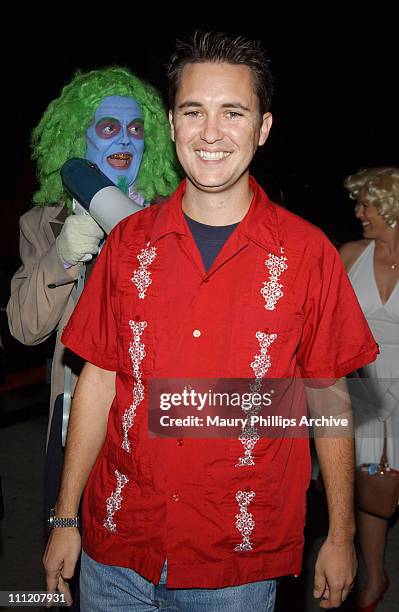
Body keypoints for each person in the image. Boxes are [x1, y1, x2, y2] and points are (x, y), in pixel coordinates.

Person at [43, 32, 378, 611]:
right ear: (172, 125)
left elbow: (330, 400)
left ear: (263, 128)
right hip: (116, 547)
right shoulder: (126, 244)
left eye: (233, 112)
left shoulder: (308, 254)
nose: (211, 132)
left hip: (236, 566)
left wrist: (343, 535)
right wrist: (66, 516)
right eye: (193, 111)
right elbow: (98, 381)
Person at [7, 67, 179, 610]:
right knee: (74, 569)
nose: (124, 139)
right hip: (75, 418)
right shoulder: (43, 222)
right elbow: (25, 327)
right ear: (76, 139)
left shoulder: (179, 213)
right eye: (106, 128)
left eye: (134, 129)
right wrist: (65, 253)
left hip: (156, 420)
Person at [340, 167, 399, 611]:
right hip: (365, 384)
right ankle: (374, 575)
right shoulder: (350, 254)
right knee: (369, 481)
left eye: (367, 203)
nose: (359, 212)